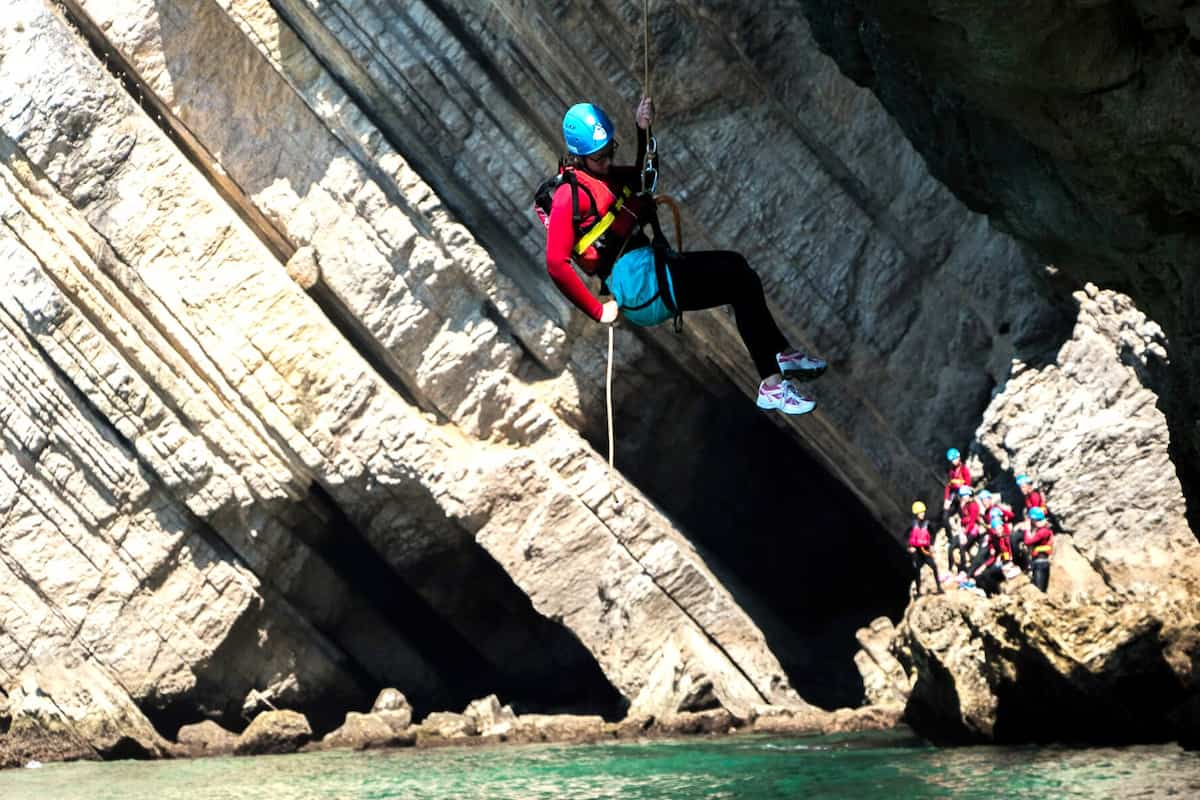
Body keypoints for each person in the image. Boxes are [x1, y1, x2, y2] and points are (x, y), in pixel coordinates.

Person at [545, 99, 827, 415]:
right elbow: (556, 263)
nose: (608, 161)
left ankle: (781, 355)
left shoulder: (602, 175)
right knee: (736, 278)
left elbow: (640, 176)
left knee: (738, 269)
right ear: (579, 156)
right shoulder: (569, 196)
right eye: (600, 157)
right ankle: (773, 383)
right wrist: (598, 311)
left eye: (611, 150)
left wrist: (642, 130)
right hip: (638, 285)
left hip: (649, 268)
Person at [907, 501, 945, 596]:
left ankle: (939, 588)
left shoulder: (927, 524)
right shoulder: (913, 524)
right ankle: (919, 592)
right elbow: (905, 535)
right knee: (917, 571)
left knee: (934, 567)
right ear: (916, 514)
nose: (922, 514)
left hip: (926, 551)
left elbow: (933, 533)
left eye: (923, 512)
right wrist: (909, 547)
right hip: (917, 552)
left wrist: (931, 544)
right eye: (920, 512)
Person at [1024, 506, 1054, 592]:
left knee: (1038, 590)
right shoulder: (1044, 529)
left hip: (1040, 563)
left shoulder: (1043, 531)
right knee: (1042, 590)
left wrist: (1027, 530)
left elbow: (1028, 541)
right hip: (1041, 562)